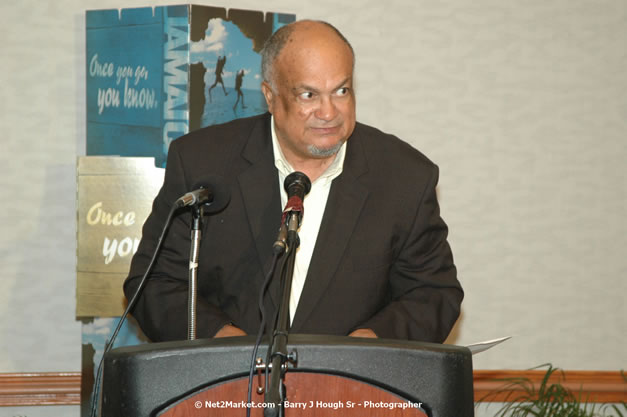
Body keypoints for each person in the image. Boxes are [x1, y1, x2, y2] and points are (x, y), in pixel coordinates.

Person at [124, 20, 463, 342]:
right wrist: (221, 342)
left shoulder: (404, 177)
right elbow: (153, 283)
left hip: (351, 393)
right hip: (224, 391)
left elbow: (433, 294)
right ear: (270, 97)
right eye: (308, 95)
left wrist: (369, 345)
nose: (329, 112)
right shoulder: (203, 162)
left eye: (341, 90)